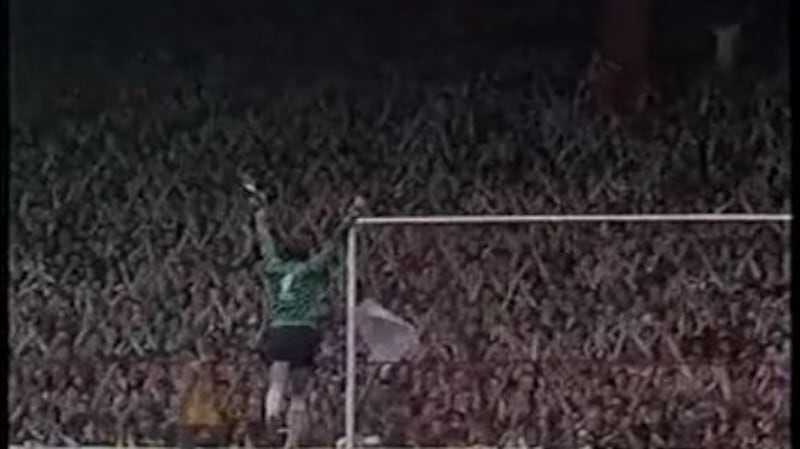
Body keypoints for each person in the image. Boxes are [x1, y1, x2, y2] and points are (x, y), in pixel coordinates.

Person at [253, 194, 365, 449]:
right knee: (300, 393)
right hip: (304, 329)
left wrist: (260, 219)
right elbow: (333, 245)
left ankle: (271, 415)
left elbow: (265, 243)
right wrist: (348, 219)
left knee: (277, 382)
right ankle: (291, 442)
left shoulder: (274, 267)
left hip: (280, 327)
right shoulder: (312, 269)